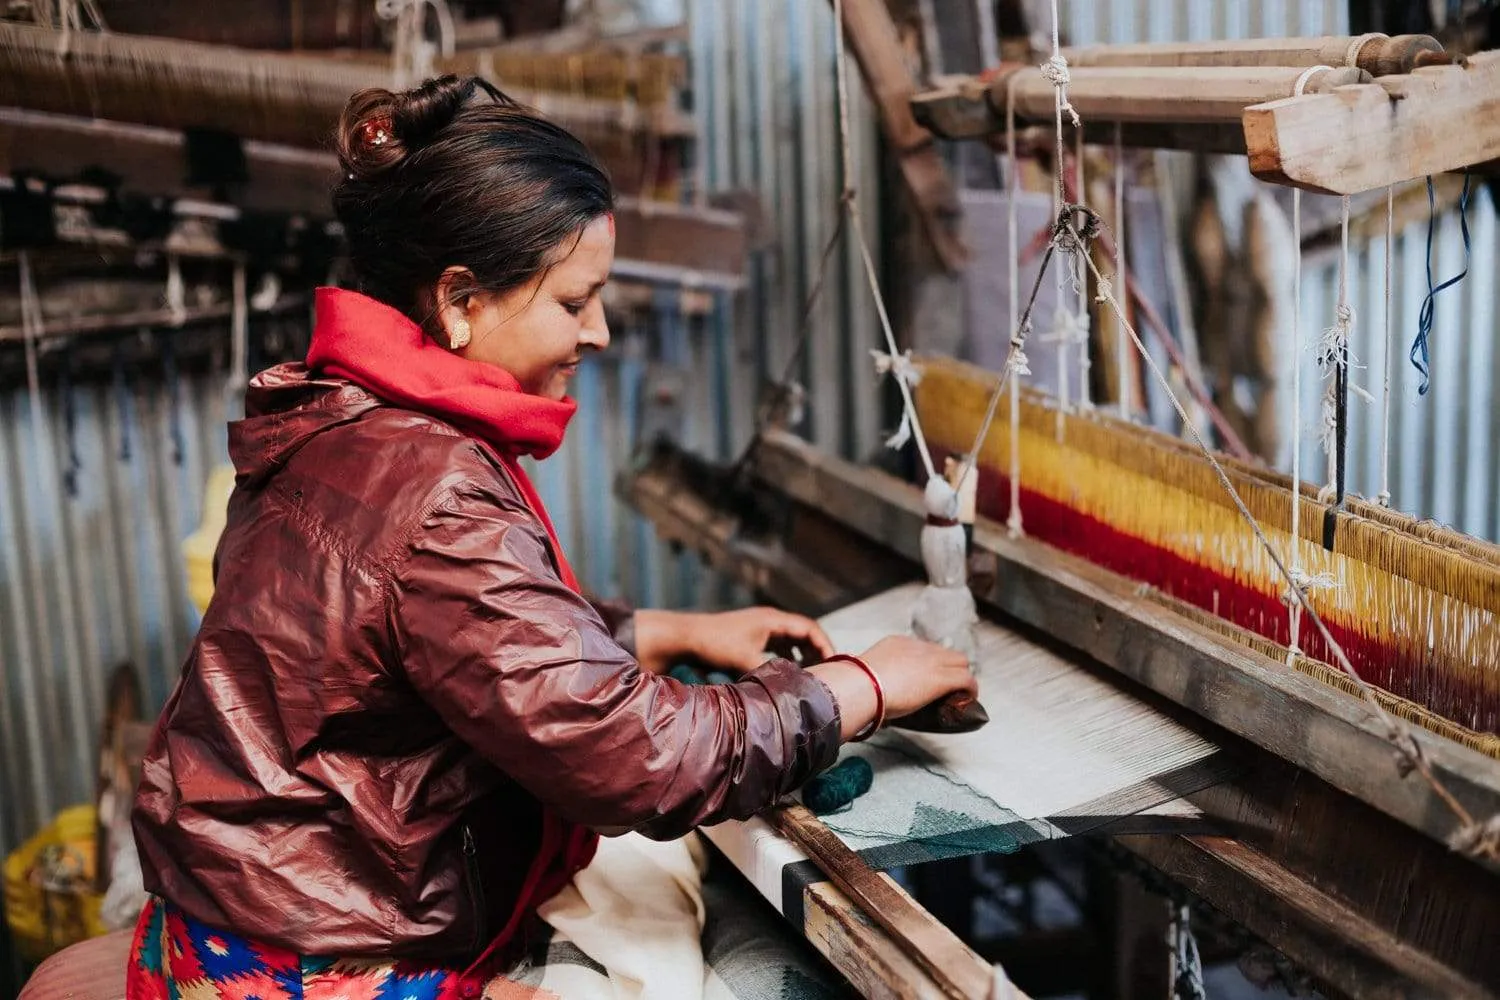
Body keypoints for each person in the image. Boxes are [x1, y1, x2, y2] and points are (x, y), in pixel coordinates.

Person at [126, 75, 976, 999]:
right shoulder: (434, 486)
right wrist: (867, 684)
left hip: (241, 914)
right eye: (575, 302)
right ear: (459, 302)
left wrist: (663, 630)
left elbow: (444, 641)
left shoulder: (339, 417)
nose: (600, 332)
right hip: (313, 964)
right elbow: (637, 759)